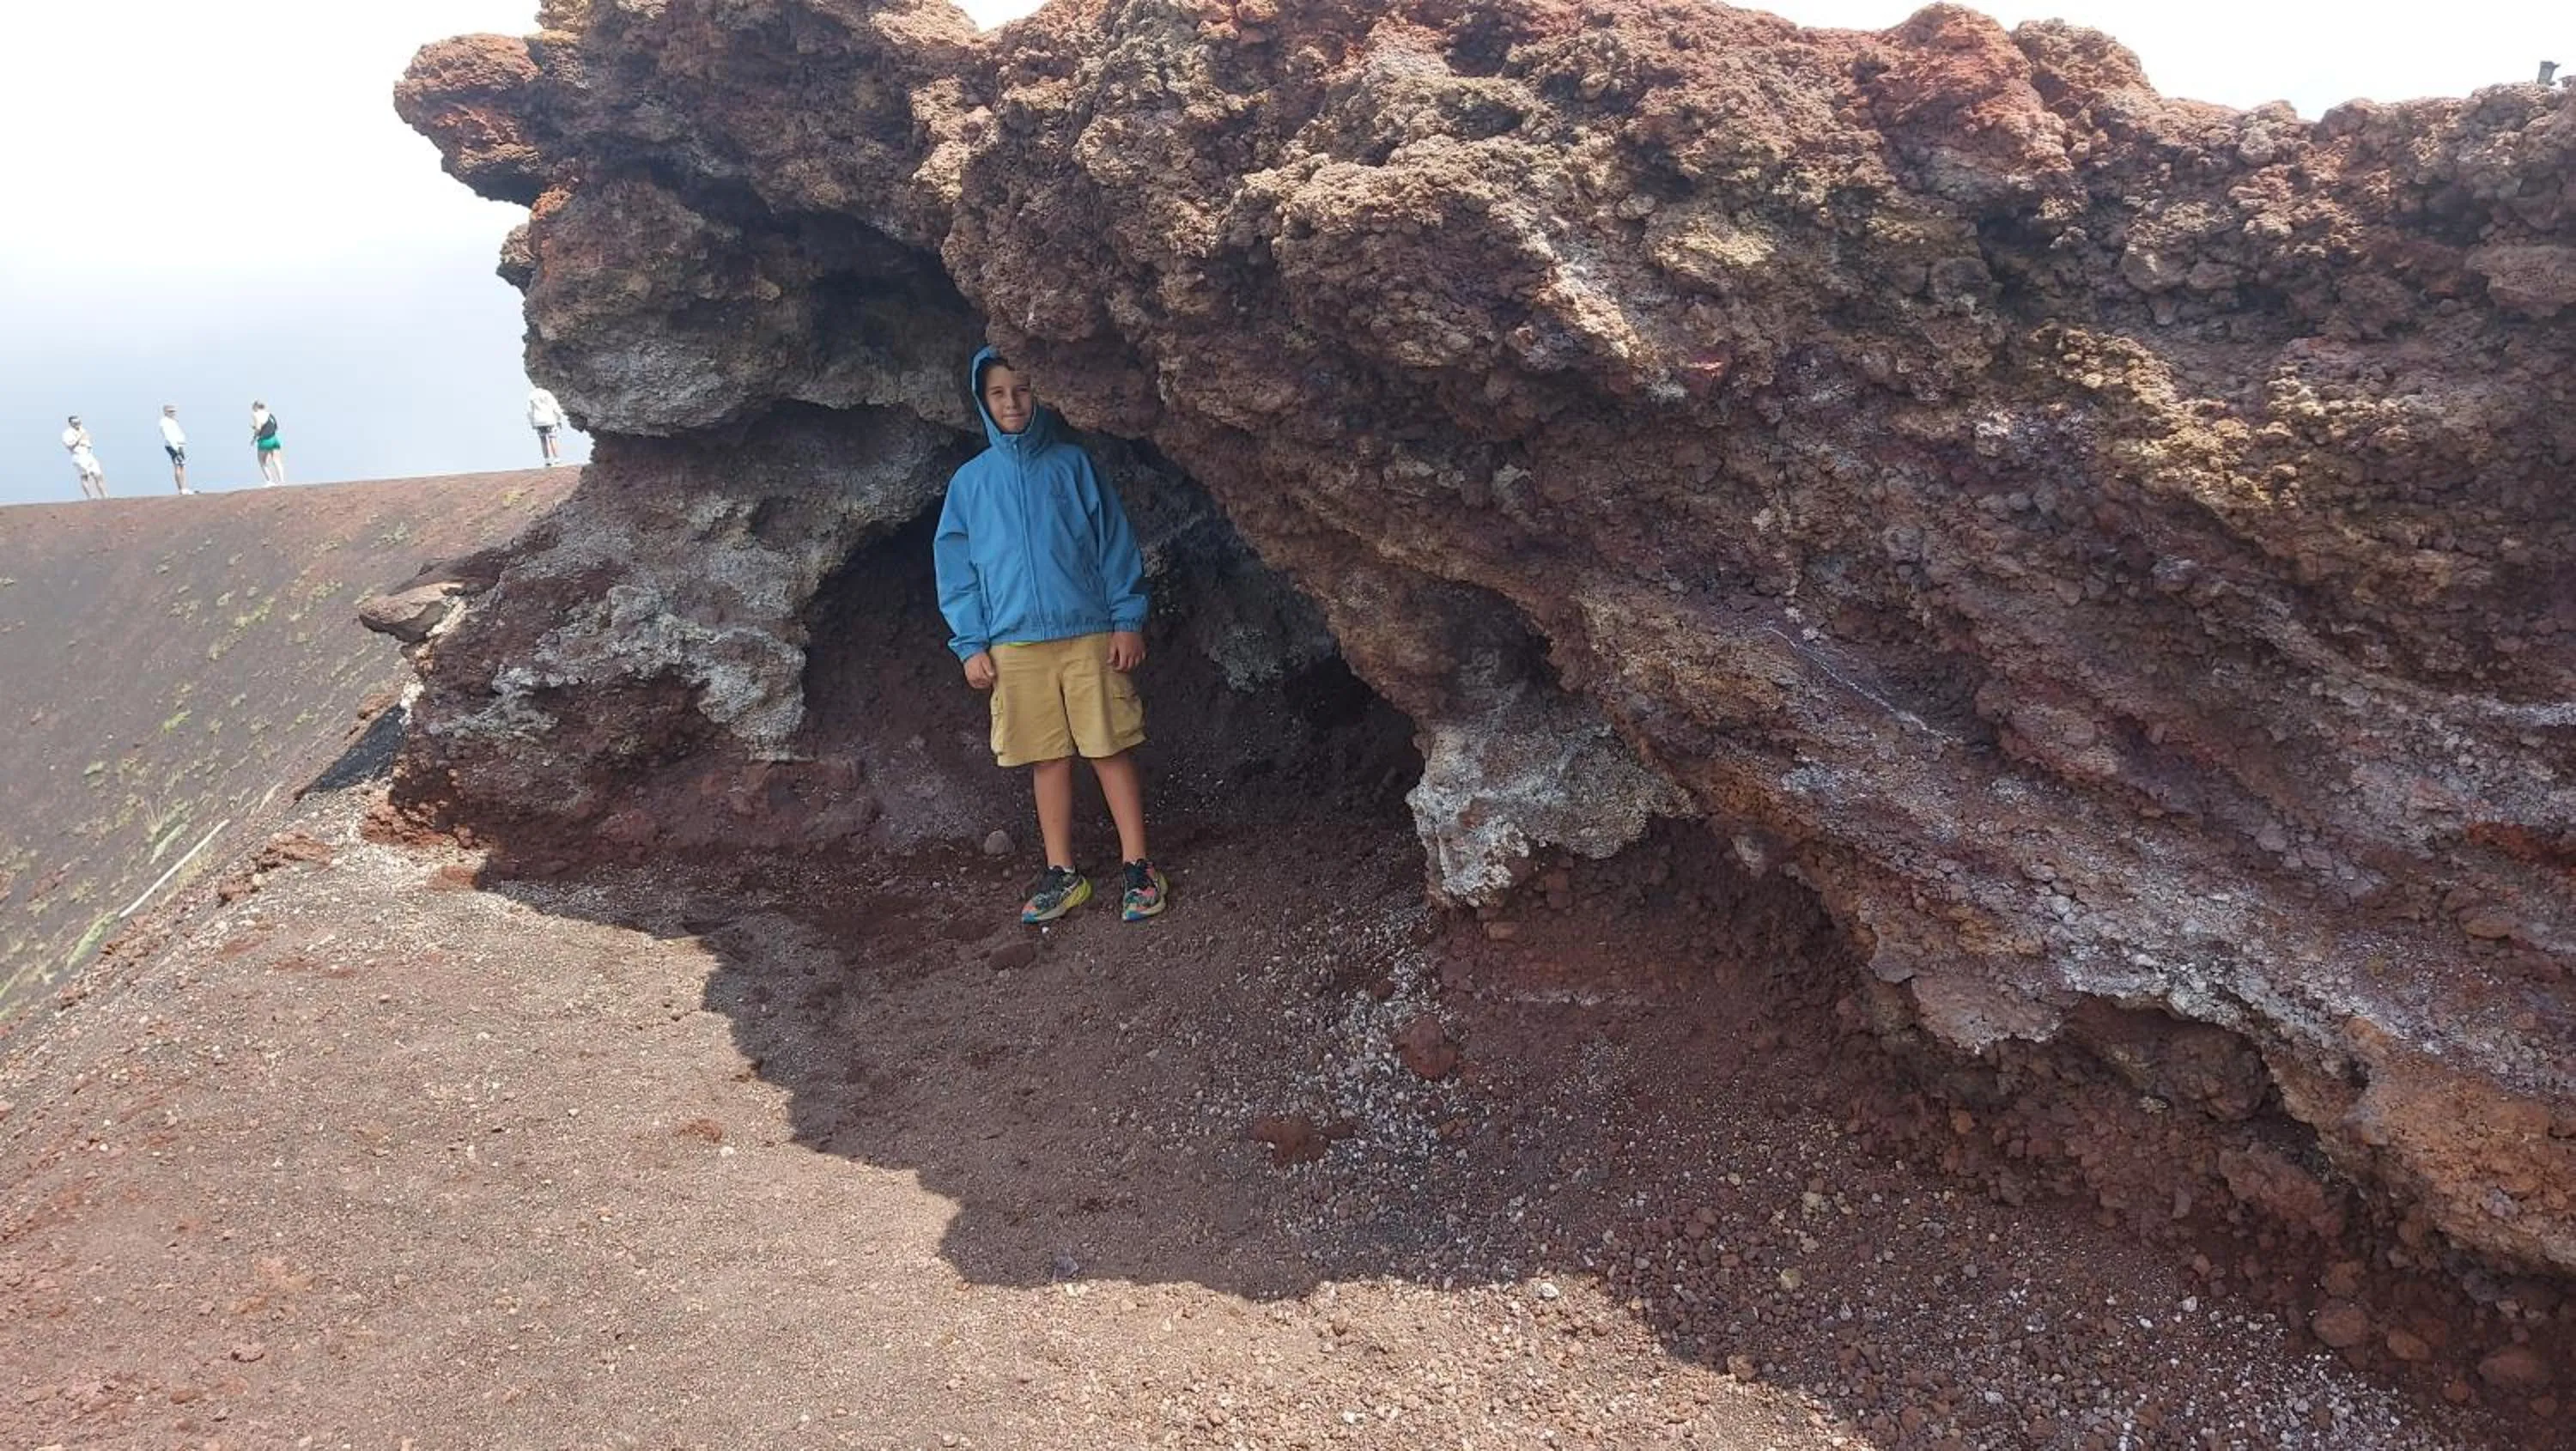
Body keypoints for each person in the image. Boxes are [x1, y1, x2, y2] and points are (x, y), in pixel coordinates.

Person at [933, 347, 1170, 925]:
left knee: (1108, 748)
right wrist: (971, 643)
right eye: (998, 393)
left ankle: (1139, 868)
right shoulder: (970, 484)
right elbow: (956, 571)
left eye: (1021, 389)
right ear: (982, 402)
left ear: (1040, 395)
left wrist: (1126, 619)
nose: (1011, 402)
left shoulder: (1073, 464)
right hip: (1013, 644)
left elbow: (1114, 544)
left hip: (1088, 632)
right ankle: (1063, 874)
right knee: (1047, 759)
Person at [61, 416, 106, 499]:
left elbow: (88, 440)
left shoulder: (83, 430)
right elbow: (69, 446)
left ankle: (105, 496)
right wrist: (78, 439)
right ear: (71, 423)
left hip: (89, 454)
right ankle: (90, 496)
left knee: (98, 474)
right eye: (75, 423)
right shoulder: (67, 433)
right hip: (78, 456)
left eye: (79, 422)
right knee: (84, 476)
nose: (77, 424)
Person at [526, 385, 566, 466]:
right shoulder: (547, 394)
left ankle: (547, 460)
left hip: (538, 421)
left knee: (543, 440)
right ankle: (557, 459)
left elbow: (529, 412)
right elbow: (555, 407)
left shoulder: (531, 395)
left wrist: (532, 423)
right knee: (552, 438)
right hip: (549, 420)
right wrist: (559, 419)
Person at [158, 406, 193, 494]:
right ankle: (181, 489)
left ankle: (185, 487)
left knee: (182, 466)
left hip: (179, 445)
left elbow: (179, 433)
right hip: (173, 446)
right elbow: (167, 435)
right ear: (165, 412)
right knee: (177, 466)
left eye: (173, 411)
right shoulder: (164, 422)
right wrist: (175, 448)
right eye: (170, 411)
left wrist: (182, 443)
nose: (172, 413)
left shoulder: (173, 421)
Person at [250, 401, 286, 487]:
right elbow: (275, 427)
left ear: (255, 407)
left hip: (265, 440)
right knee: (277, 461)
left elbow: (258, 428)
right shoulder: (270, 414)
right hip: (274, 439)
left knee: (261, 461)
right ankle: (282, 481)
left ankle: (270, 481)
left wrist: (254, 438)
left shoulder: (256, 414)